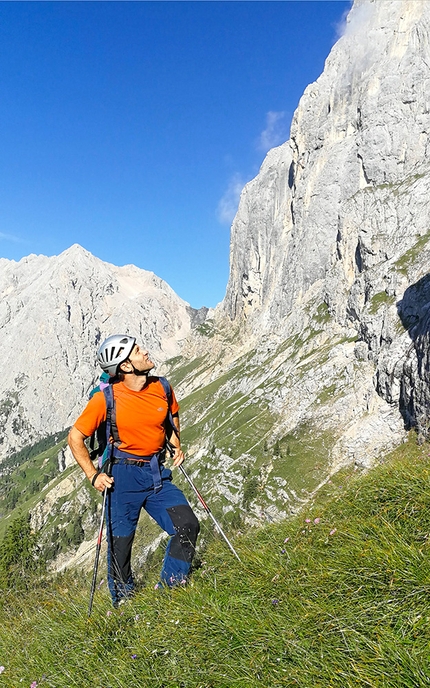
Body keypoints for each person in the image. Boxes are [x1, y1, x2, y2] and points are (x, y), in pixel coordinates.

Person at [68, 334, 200, 607]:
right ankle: (125, 604)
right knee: (120, 546)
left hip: (156, 473)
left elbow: (171, 414)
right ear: (126, 366)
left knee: (187, 525)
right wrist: (93, 475)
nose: (145, 352)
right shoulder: (105, 399)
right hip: (121, 478)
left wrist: (175, 441)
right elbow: (75, 437)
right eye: (138, 351)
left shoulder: (162, 387)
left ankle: (170, 594)